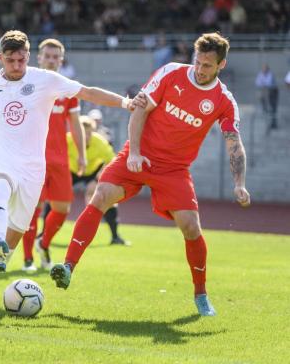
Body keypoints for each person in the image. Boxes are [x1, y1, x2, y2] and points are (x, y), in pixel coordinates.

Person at [50, 32, 251, 317]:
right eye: (198, 61)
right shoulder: (171, 73)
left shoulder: (223, 100)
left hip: (174, 169)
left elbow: (233, 141)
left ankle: (201, 294)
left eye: (208, 65)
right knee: (101, 195)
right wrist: (133, 152)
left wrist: (239, 183)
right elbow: (140, 109)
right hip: (138, 155)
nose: (200, 69)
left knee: (191, 227)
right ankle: (68, 266)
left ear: (222, 65)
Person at [0, 30, 143, 301]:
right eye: (11, 61)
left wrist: (125, 102)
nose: (17, 66)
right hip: (1, 157)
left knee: (15, 238)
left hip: (33, 168)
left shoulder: (46, 80)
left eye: (21, 60)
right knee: (0, 184)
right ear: (0, 58)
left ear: (29, 57)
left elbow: (88, 92)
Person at [20, 38, 87, 273]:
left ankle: (43, 243)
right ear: (38, 58)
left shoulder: (69, 88)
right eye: (47, 56)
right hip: (33, 158)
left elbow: (76, 124)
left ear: (61, 60)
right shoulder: (26, 83)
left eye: (55, 57)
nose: (51, 60)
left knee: (62, 208)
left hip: (59, 159)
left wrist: (82, 154)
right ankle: (27, 258)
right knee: (32, 208)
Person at [68, 115, 129, 246]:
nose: (86, 137)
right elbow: (56, 154)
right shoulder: (67, 139)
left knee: (108, 197)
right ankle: (43, 234)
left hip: (93, 172)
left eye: (89, 133)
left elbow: (113, 160)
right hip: (71, 171)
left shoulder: (100, 142)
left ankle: (115, 236)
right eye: (82, 133)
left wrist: (98, 178)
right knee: (57, 198)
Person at [255, 64, 278, 130]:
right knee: (265, 106)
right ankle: (267, 118)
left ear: (267, 69)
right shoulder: (260, 74)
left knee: (273, 108)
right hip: (265, 93)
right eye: (263, 68)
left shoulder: (270, 74)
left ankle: (273, 123)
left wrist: (263, 84)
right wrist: (263, 85)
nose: (264, 70)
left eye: (265, 68)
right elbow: (257, 83)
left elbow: (268, 83)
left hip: (272, 93)